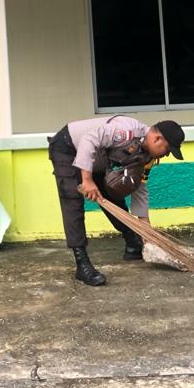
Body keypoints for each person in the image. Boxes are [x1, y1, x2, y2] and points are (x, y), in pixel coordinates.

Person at [48, 115, 185, 286]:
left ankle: (133, 243)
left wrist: (146, 231)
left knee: (110, 194)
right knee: (72, 199)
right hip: (68, 147)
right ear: (157, 138)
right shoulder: (125, 131)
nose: (166, 155)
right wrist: (87, 180)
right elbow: (88, 140)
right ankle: (81, 264)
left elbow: (140, 189)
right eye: (167, 150)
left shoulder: (147, 157)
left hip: (96, 157)